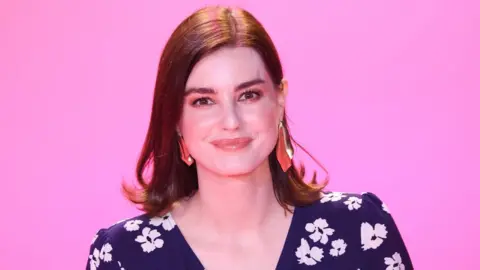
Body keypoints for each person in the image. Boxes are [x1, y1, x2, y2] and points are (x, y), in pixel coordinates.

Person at [86, 5, 413, 270]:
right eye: (203, 101)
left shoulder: (360, 228)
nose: (231, 121)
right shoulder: (121, 256)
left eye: (249, 95)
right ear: (174, 118)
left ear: (280, 97)